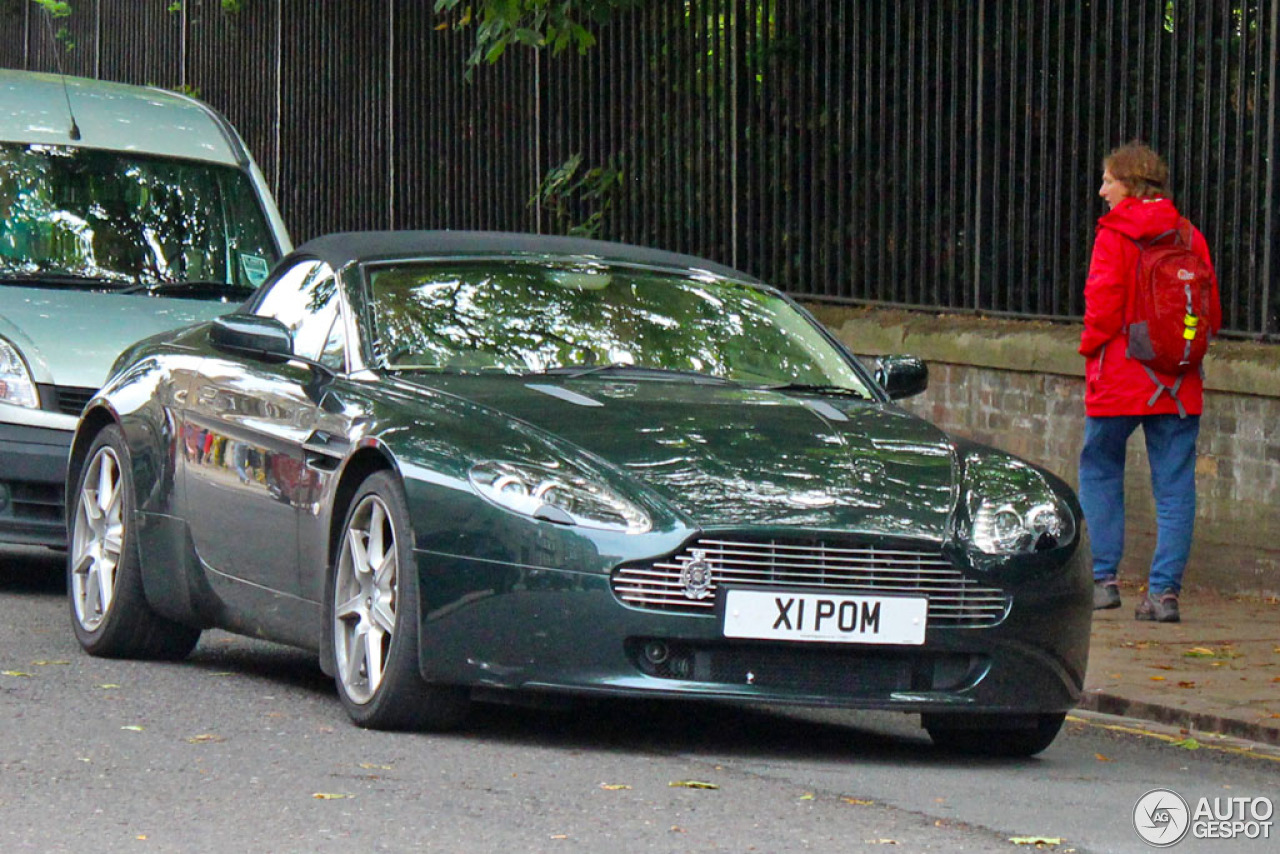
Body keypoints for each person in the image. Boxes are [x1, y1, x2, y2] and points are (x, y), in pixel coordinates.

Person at [1078, 142, 1221, 623]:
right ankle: (1163, 594)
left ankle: (1102, 581)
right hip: (1178, 381)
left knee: (1100, 469)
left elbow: (1101, 308)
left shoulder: (1113, 235)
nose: (1102, 192)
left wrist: (1090, 348)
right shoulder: (1189, 235)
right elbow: (1211, 315)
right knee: (1176, 485)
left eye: (1108, 181)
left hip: (1119, 374)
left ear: (1131, 185)